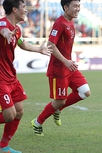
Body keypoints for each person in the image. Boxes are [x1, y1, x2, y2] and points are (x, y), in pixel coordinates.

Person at [31, 0, 91, 136]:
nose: (78, 9)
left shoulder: (70, 22)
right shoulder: (60, 23)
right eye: (75, 6)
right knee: (59, 101)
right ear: (65, 7)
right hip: (59, 70)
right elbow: (50, 44)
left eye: (79, 6)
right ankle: (38, 122)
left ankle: (58, 109)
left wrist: (68, 62)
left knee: (85, 92)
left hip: (69, 67)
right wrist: (65, 61)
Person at [0, 0, 52, 152]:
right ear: (15, 9)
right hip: (1, 78)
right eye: (23, 7)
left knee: (19, 111)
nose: (26, 10)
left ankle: (3, 146)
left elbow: (23, 44)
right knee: (9, 115)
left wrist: (39, 50)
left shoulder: (17, 29)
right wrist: (5, 33)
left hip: (11, 77)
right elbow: (2, 30)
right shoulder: (3, 24)